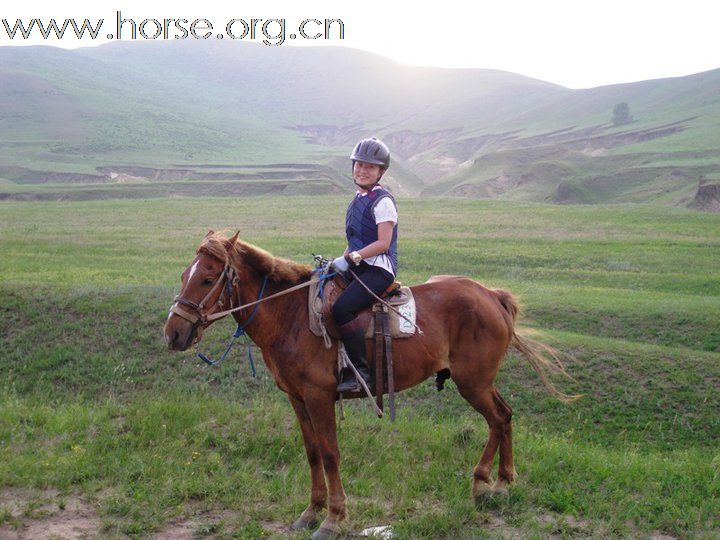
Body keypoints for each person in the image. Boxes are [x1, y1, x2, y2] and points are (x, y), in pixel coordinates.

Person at [331, 137, 398, 392]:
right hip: (359, 265)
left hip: (379, 269)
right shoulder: (358, 198)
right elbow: (356, 239)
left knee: (342, 309)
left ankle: (360, 373)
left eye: (369, 167)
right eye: (359, 164)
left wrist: (351, 259)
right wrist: (340, 259)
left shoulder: (383, 201)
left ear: (381, 171)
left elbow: (383, 243)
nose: (362, 170)